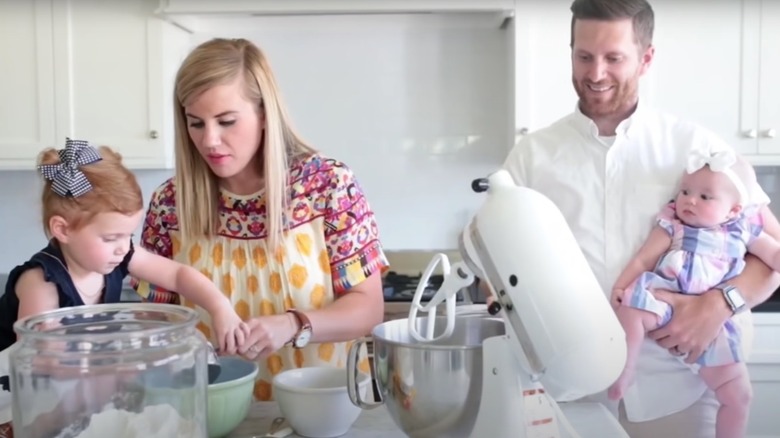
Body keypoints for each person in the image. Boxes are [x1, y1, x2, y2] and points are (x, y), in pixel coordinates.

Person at [501, 0, 780, 436]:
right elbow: (503, 269)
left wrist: (717, 305)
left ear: (646, 58)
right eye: (584, 56)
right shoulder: (531, 156)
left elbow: (770, 257)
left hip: (682, 385)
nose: (595, 74)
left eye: (614, 58)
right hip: (571, 388)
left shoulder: (698, 149)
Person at [135, 38, 388, 401]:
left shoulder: (328, 186)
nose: (209, 140)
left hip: (322, 411)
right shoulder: (169, 204)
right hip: (210, 411)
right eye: (195, 123)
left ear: (265, 113)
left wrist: (293, 324)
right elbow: (155, 320)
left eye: (226, 121)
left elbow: (368, 307)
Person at [0, 138, 250, 437]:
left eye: (128, 235)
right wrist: (127, 367)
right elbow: (42, 361)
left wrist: (219, 306)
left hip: (73, 392)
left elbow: (179, 275)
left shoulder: (119, 256)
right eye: (110, 238)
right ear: (63, 229)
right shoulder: (40, 283)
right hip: (15, 401)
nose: (123, 248)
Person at [608, 148, 780, 437]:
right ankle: (625, 371)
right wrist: (620, 286)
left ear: (734, 209)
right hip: (663, 301)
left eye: (705, 196)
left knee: (739, 397)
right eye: (685, 191)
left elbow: (774, 256)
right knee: (631, 310)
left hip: (712, 327)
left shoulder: (743, 232)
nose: (689, 200)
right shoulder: (673, 226)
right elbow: (642, 259)